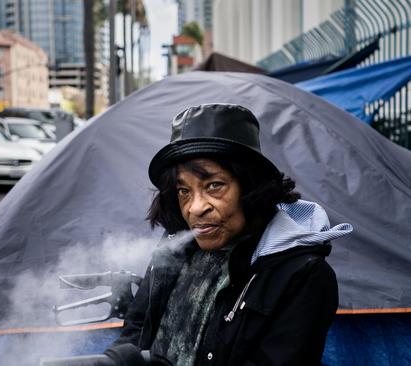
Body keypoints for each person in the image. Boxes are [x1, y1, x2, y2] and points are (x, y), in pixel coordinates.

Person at [104, 103, 353, 366]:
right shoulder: (173, 246)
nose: (195, 208)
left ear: (250, 187)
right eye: (184, 191)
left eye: (214, 186)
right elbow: (138, 325)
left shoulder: (301, 275)